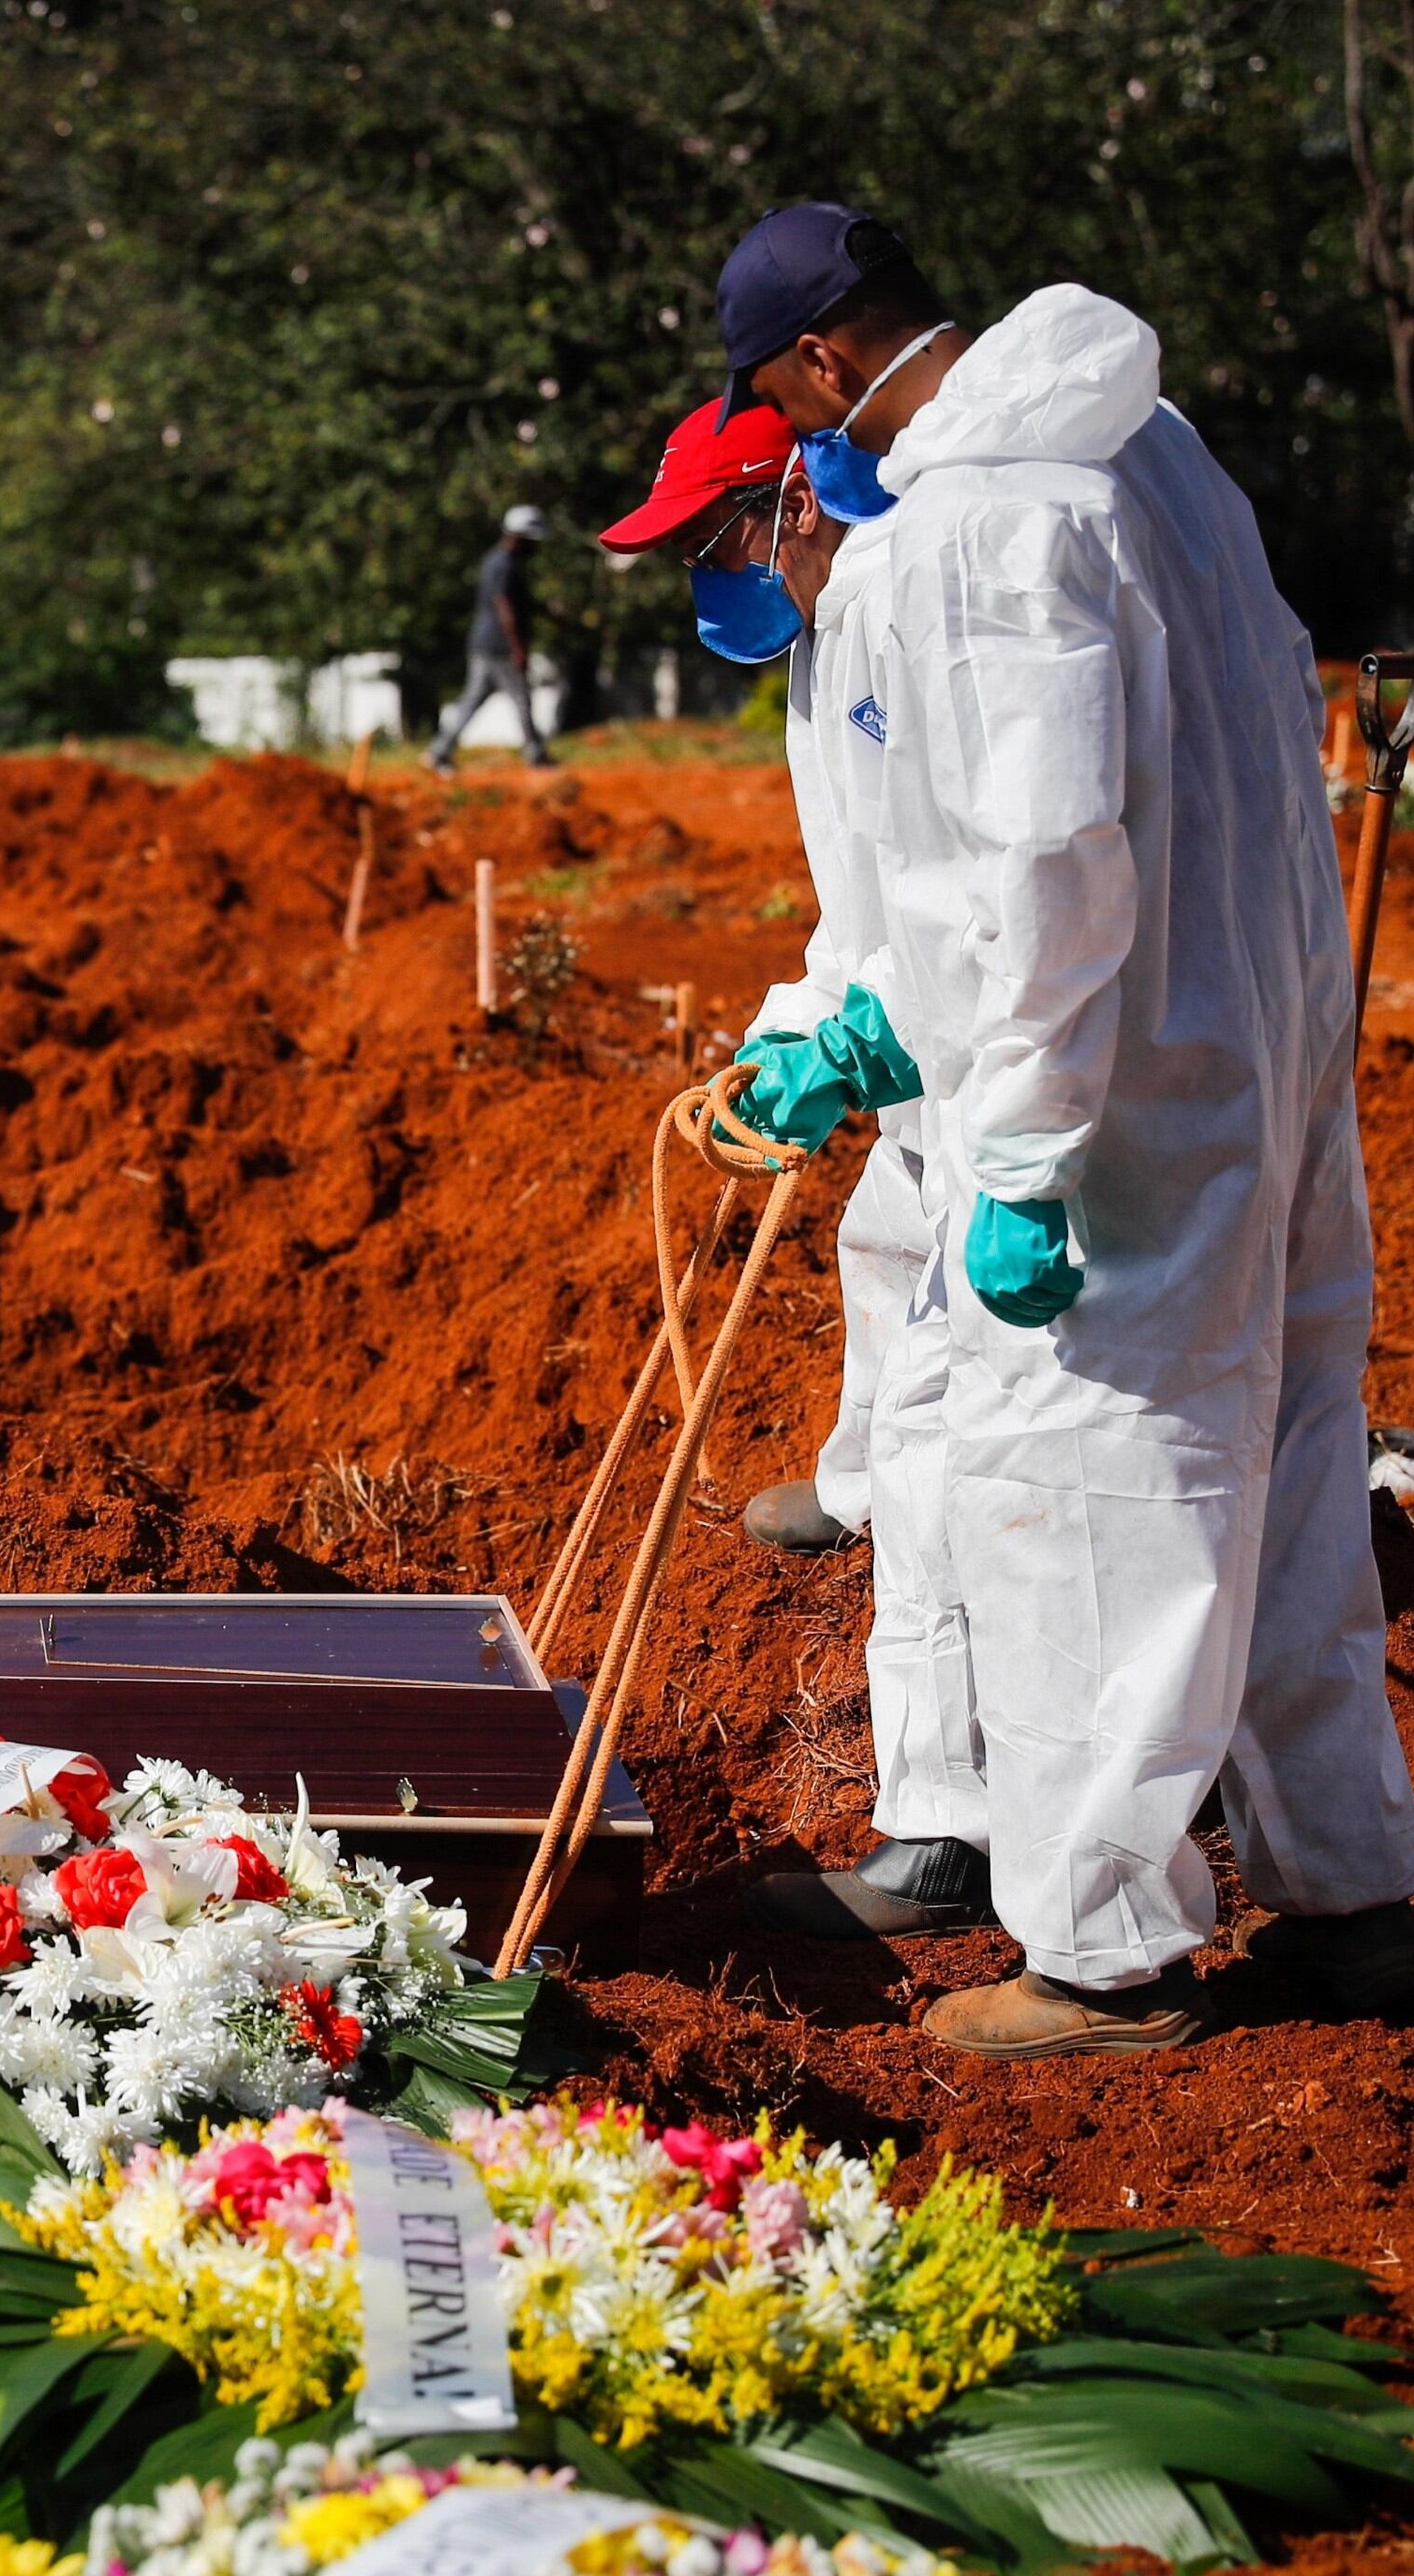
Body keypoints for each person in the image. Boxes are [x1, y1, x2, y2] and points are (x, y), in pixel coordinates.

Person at [700, 204, 1414, 2052]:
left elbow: (1040, 877)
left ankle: (1105, 1958)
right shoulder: (1156, 455)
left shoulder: (976, 527)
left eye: (789, 406)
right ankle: (1356, 1908)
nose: (814, 449)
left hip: (1119, 1119)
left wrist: (1014, 1156)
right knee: (1282, 1501)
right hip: (1264, 1074)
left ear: (813, 366)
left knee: (1083, 1508)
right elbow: (1165, 806)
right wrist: (870, 1027)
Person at [597, 392, 990, 1946]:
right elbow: (863, 914)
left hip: (1004, 1074)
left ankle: (945, 1830)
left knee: (957, 1442)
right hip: (922, 1062)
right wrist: (795, 1040)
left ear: (794, 503)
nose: (702, 571)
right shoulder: (820, 659)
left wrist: (860, 1042)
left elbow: (979, 900)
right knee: (880, 1252)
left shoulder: (911, 627)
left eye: (709, 537)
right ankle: (849, 1484)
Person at [426, 506, 557, 769]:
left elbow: (524, 603)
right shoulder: (503, 565)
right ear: (519, 537)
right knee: (521, 699)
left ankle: (439, 751)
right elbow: (503, 606)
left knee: (472, 701)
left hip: (485, 644)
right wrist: (517, 647)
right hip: (500, 646)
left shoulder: (501, 562)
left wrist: (553, 618)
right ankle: (536, 754)